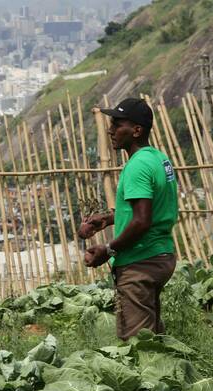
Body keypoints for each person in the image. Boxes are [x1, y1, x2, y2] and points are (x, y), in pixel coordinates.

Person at [78, 98, 178, 340]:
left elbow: (142, 221)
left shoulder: (136, 167)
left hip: (140, 262)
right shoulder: (158, 159)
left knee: (137, 345)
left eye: (117, 124)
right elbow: (151, 209)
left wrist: (108, 249)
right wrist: (111, 218)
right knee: (151, 336)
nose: (110, 130)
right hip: (161, 255)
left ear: (136, 130)